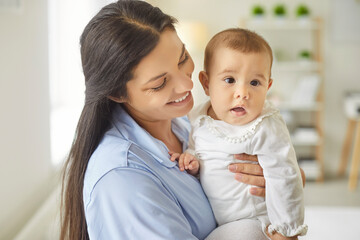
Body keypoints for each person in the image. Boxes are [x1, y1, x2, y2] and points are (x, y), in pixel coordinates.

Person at [60, 1, 304, 239]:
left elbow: (279, 173)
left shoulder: (189, 123)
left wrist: (282, 179)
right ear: (118, 93)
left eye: (182, 58)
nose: (188, 84)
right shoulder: (121, 180)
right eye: (160, 83)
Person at [170, 28, 308, 240]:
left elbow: (285, 177)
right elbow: (197, 148)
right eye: (229, 80)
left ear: (268, 86)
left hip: (256, 220)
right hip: (220, 220)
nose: (242, 93)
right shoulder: (198, 117)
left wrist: (286, 231)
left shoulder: (265, 126)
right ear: (206, 83)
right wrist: (191, 159)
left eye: (255, 83)